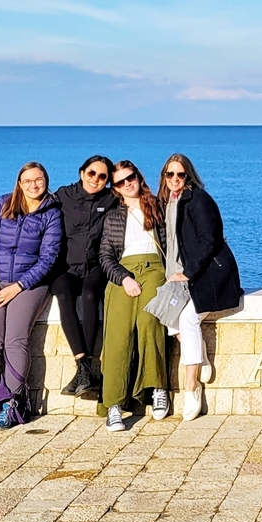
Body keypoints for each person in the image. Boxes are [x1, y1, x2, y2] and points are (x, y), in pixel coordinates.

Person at [0, 162, 63, 431]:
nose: (34, 185)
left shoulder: (51, 212)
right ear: (19, 183)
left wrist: (19, 286)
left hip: (30, 284)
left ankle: (10, 403)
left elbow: (48, 258)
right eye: (28, 181)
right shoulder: (4, 204)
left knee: (15, 340)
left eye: (39, 179)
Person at [156, 153, 244, 421]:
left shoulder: (199, 200)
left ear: (188, 176)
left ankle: (191, 388)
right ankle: (201, 355)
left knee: (186, 318)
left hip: (208, 275)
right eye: (169, 174)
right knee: (166, 314)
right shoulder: (168, 203)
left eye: (179, 174)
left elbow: (210, 241)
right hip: (181, 274)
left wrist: (187, 273)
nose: (174, 179)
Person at [96, 161, 171, 431]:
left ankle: (157, 389)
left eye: (131, 178)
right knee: (118, 334)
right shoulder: (113, 216)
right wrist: (123, 277)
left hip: (154, 268)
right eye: (120, 182)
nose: (127, 184)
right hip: (124, 271)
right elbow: (104, 256)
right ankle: (113, 405)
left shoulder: (158, 207)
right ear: (115, 188)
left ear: (138, 177)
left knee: (149, 322)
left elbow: (171, 245)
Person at [54, 155, 118, 401]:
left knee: (91, 294)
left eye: (102, 176)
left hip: (96, 266)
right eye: (92, 173)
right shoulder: (63, 196)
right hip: (66, 267)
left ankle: (85, 370)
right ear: (82, 173)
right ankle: (85, 366)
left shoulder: (112, 199)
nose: (96, 179)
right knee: (63, 293)